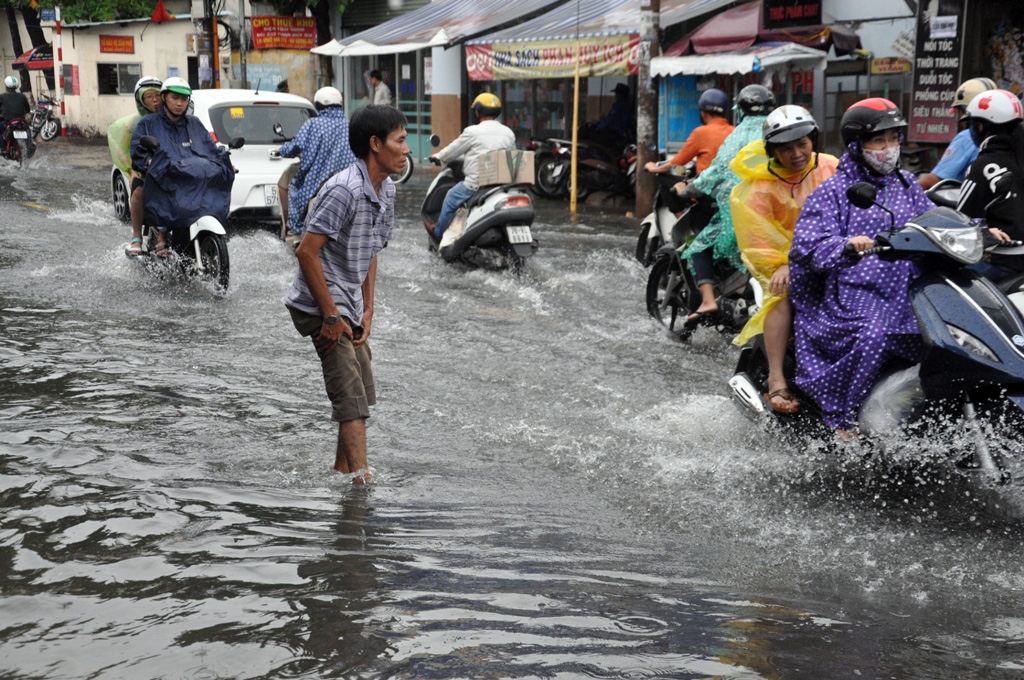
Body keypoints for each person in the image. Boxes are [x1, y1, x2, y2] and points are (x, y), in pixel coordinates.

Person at [789, 98, 934, 437]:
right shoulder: (834, 192)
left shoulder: (907, 184)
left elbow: (933, 219)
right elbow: (807, 245)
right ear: (856, 145)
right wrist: (846, 245)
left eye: (893, 139)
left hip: (907, 291)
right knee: (875, 335)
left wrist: (979, 228)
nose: (888, 149)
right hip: (855, 296)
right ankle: (844, 418)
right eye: (878, 141)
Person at [284, 105, 408, 483]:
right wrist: (332, 315)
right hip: (319, 306)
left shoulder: (386, 190)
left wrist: (368, 308)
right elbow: (306, 251)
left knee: (360, 393)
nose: (406, 150)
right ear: (375, 145)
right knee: (351, 398)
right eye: (400, 141)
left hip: (348, 306)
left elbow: (371, 250)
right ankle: (361, 486)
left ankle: (341, 472)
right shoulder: (344, 190)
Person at [729, 106, 840, 413]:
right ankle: (777, 379)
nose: (797, 154)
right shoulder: (759, 187)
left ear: (813, 140)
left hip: (834, 255)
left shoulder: (831, 166)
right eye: (786, 148)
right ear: (773, 151)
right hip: (784, 265)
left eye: (802, 144)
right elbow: (757, 239)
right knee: (779, 296)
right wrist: (784, 263)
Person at [678, 84, 775, 325]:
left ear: (740, 110)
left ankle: (709, 301)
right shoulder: (778, 130)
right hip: (778, 214)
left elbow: (716, 172)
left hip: (743, 215)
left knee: (698, 246)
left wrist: (687, 190)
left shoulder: (738, 135)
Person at [130, 77, 234, 255]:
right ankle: (155, 237)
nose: (179, 103)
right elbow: (137, 149)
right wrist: (149, 161)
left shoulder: (194, 123)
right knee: (156, 187)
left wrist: (225, 162)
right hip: (165, 176)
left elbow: (209, 147)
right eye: (175, 98)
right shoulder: (148, 123)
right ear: (164, 98)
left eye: (184, 99)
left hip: (190, 177)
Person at [427, 92, 515, 240]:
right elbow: (511, 156)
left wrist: (438, 156)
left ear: (478, 111)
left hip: (476, 185)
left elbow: (453, 150)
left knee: (450, 197)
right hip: (500, 186)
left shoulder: (473, 131)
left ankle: (438, 233)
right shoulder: (508, 133)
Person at [278, 86, 359, 247]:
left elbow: (294, 146)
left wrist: (282, 150)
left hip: (318, 183)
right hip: (350, 183)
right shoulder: (351, 126)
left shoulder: (312, 124)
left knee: (289, 182)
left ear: (319, 105)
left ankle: (293, 229)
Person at [956, 88, 1023, 279]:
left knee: (943, 281)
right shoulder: (1018, 158)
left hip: (1002, 264)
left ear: (981, 127)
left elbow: (962, 223)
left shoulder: (982, 166)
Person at [643, 88, 733, 214]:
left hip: (705, 190)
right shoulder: (735, 131)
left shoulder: (700, 132)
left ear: (703, 113)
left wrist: (654, 168)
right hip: (730, 189)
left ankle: (680, 221)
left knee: (663, 177)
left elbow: (677, 163)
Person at [107, 76, 163, 256]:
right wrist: (131, 171)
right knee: (138, 191)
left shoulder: (171, 118)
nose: (154, 100)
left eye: (157, 95)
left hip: (170, 167)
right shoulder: (135, 124)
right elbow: (125, 149)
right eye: (149, 96)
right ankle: (137, 236)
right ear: (141, 100)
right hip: (144, 168)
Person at [918, 77, 997, 190]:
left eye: (959, 112)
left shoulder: (967, 138)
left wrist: (905, 189)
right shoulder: (1009, 136)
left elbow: (934, 180)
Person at [1, 75, 34, 155]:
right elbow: (28, 109)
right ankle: (30, 145)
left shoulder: (2, 97)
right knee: (28, 129)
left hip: (8, 122)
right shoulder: (22, 96)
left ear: (6, 86)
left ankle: (3, 148)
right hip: (21, 121)